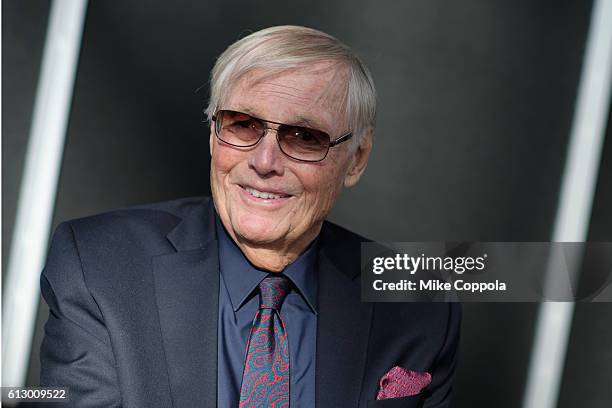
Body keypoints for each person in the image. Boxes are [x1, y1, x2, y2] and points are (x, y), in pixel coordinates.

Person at [40, 25, 460, 407]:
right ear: (212, 133)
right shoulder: (98, 264)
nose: (264, 161)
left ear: (357, 159)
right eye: (242, 125)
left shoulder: (421, 304)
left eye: (304, 137)